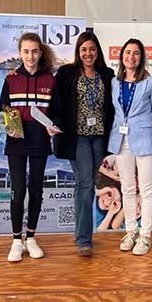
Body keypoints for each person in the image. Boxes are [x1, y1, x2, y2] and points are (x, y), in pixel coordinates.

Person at [107, 38, 152, 256]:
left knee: (146, 189)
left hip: (145, 139)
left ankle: (145, 236)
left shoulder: (151, 82)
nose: (131, 57)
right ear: (121, 57)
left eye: (136, 53)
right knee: (127, 188)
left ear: (142, 57)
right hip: (121, 141)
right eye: (127, 52)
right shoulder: (114, 82)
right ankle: (131, 232)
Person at [51, 32, 115, 256]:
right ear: (78, 52)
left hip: (99, 137)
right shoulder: (66, 73)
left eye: (92, 49)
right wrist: (54, 124)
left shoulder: (107, 74)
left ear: (98, 51)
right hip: (76, 137)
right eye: (84, 49)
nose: (88, 53)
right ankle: (84, 240)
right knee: (85, 184)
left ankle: (80, 232)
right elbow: (56, 102)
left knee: (87, 184)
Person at [0, 33, 58, 262]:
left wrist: (54, 126)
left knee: (36, 189)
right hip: (16, 142)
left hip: (40, 142)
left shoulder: (50, 80)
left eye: (34, 51)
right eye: (26, 51)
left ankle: (31, 237)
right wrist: (8, 127)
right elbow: (3, 109)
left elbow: (56, 111)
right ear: (20, 53)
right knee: (17, 191)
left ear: (40, 53)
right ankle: (16, 240)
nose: (30, 56)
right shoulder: (11, 79)